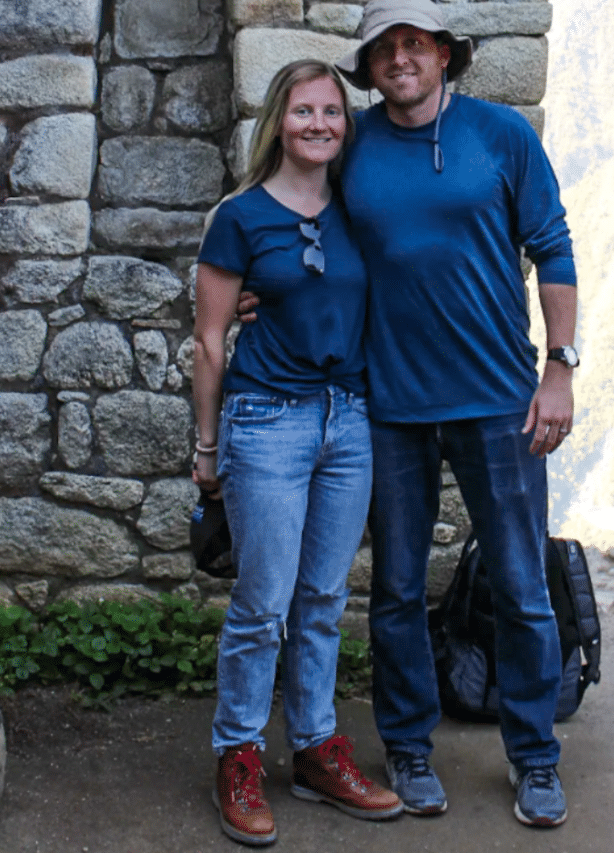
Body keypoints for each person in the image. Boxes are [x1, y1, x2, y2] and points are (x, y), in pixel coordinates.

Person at [239, 0, 579, 828]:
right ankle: (410, 749)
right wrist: (257, 288)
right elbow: (296, 212)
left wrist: (560, 369)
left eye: (415, 43)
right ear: (371, 65)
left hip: (501, 397)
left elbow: (554, 247)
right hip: (385, 404)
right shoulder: (354, 146)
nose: (400, 58)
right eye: (385, 48)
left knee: (521, 582)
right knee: (392, 589)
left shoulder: (501, 135)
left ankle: (535, 757)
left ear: (444, 53)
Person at [192, 59, 404, 846]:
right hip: (266, 422)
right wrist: (207, 448)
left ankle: (316, 751)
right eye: (304, 111)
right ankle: (238, 756)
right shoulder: (240, 218)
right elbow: (210, 341)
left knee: (322, 601)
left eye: (333, 113)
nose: (320, 124)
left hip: (349, 423)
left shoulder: (359, 211)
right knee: (262, 604)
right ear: (278, 121)